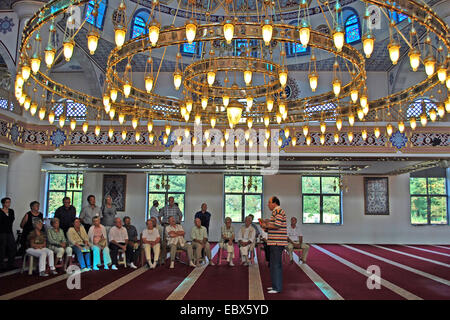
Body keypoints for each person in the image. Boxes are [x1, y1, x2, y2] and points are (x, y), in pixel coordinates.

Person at [260, 196, 287, 294]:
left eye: (269, 202)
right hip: (274, 242)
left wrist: (266, 225)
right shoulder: (275, 212)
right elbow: (274, 227)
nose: (268, 204)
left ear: (274, 203)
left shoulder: (278, 211)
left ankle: (277, 288)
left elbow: (277, 225)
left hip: (277, 243)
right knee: (273, 265)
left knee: (276, 265)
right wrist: (265, 227)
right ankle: (275, 285)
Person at [0, 197, 16, 271]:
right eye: (7, 202)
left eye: (9, 202)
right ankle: (1, 265)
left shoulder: (11, 211)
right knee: (2, 248)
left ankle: (11, 264)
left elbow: (11, 220)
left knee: (12, 247)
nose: (8, 204)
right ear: (3, 203)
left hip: (9, 231)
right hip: (1, 232)